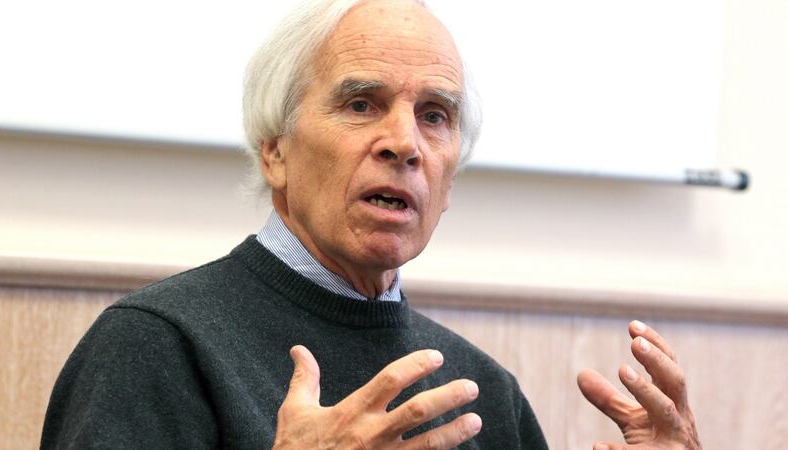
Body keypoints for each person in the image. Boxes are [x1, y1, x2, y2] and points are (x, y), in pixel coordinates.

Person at [41, 0, 701, 449]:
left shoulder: (485, 392)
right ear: (275, 150)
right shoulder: (157, 346)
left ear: (448, 183)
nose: (405, 144)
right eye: (362, 104)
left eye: (434, 115)